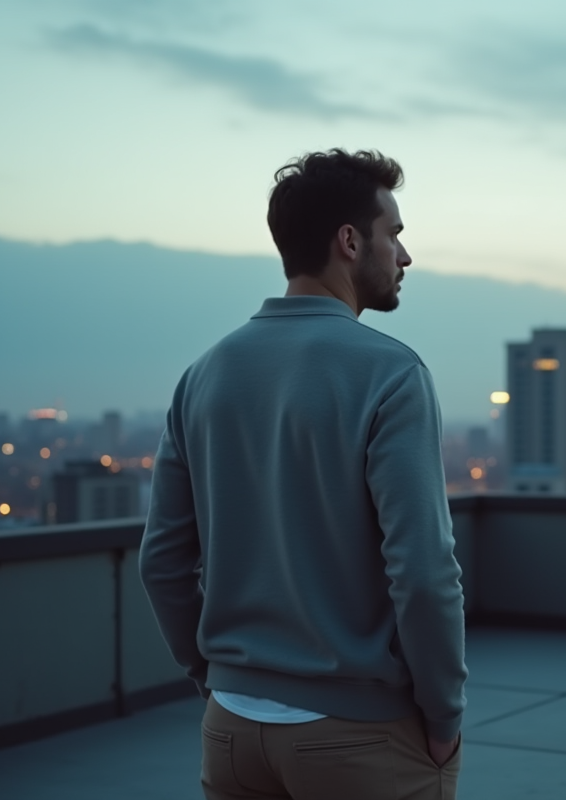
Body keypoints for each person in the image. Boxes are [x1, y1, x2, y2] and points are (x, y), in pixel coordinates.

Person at [139, 149, 467, 800]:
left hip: (230, 731)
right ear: (349, 241)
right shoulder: (390, 373)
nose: (404, 257)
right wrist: (444, 713)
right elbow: (424, 573)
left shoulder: (204, 374)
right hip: (361, 736)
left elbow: (163, 562)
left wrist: (217, 678)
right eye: (394, 234)